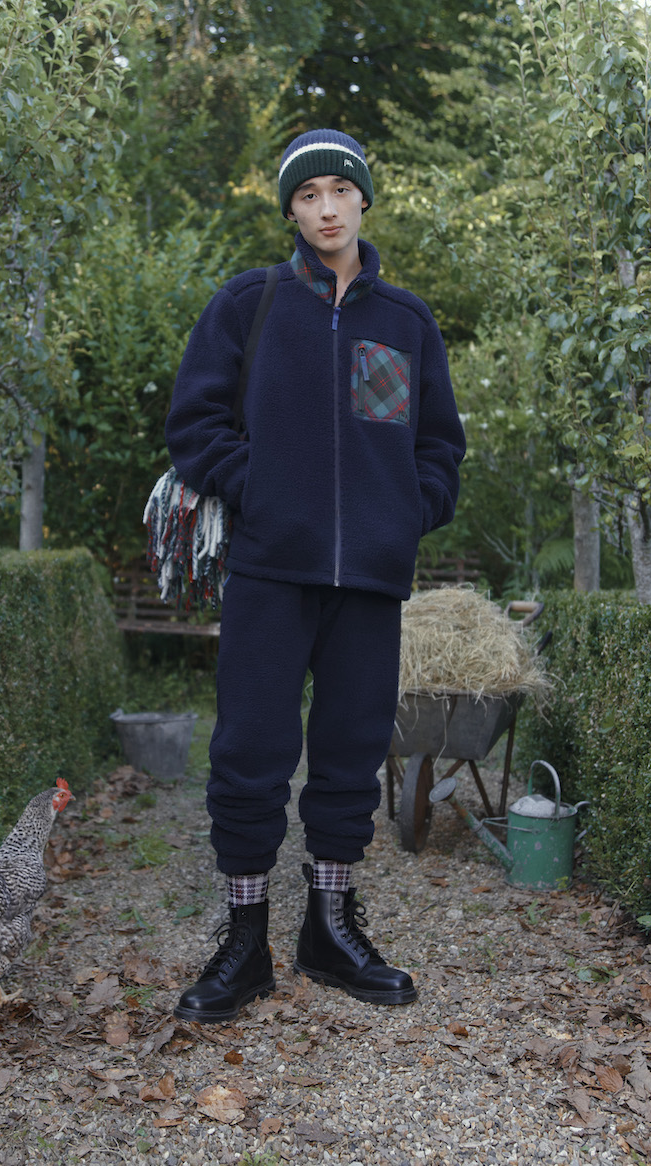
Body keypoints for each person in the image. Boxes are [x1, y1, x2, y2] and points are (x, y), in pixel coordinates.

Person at [163, 129, 466, 1022]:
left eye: (339, 189)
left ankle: (330, 929)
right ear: (290, 210)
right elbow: (194, 425)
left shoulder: (406, 323)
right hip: (270, 571)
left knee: (349, 753)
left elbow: (439, 447)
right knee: (249, 753)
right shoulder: (249, 303)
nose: (326, 208)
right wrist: (259, 491)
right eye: (307, 195)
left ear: (364, 198)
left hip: (369, 580)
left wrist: (405, 511)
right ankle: (245, 941)